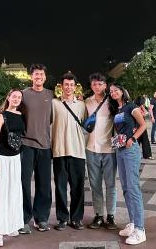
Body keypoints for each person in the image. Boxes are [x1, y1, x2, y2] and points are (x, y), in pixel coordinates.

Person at [0, 64, 53, 233]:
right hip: (26, 145)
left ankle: (42, 218)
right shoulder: (24, 94)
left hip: (46, 145)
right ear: (31, 77)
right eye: (35, 74)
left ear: (45, 77)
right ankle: (24, 218)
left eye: (41, 74)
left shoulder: (51, 95)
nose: (38, 77)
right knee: (23, 183)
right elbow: (11, 106)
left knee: (44, 185)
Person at [0, 89, 25, 247]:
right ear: (8, 97)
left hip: (15, 159)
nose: (16, 99)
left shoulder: (21, 115)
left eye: (19, 97)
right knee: (0, 195)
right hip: (1, 159)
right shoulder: (1, 116)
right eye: (14, 96)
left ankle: (11, 225)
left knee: (13, 193)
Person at [108, 82, 147, 245]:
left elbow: (143, 124)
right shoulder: (116, 109)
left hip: (130, 149)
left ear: (123, 91)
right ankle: (132, 223)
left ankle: (140, 229)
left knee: (133, 187)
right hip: (119, 149)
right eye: (111, 91)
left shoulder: (131, 106)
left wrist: (133, 139)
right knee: (125, 188)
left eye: (116, 90)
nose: (113, 93)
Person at [52, 72, 87, 231]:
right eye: (66, 84)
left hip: (78, 151)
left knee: (78, 187)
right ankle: (62, 218)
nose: (68, 87)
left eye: (71, 85)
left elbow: (89, 122)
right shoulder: (54, 103)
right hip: (59, 151)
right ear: (61, 86)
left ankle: (77, 218)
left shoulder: (82, 105)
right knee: (60, 187)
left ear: (75, 87)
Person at [85, 73, 118, 230]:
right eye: (94, 84)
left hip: (109, 150)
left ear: (105, 85)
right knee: (95, 184)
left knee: (110, 184)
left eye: (100, 84)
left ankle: (110, 215)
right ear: (91, 86)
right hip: (91, 149)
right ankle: (98, 215)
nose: (97, 87)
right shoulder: (87, 102)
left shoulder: (112, 101)